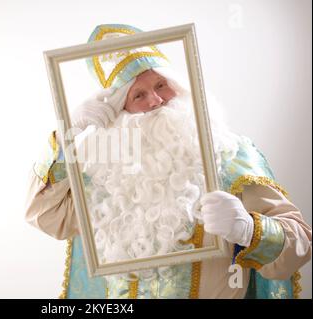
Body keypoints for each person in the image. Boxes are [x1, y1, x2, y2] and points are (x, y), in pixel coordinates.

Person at [25, 24, 311, 299]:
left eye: (161, 84)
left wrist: (248, 229)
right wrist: (65, 136)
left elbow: (300, 242)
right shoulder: (104, 174)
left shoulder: (232, 155)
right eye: (138, 94)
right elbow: (45, 215)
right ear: (118, 111)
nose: (156, 101)